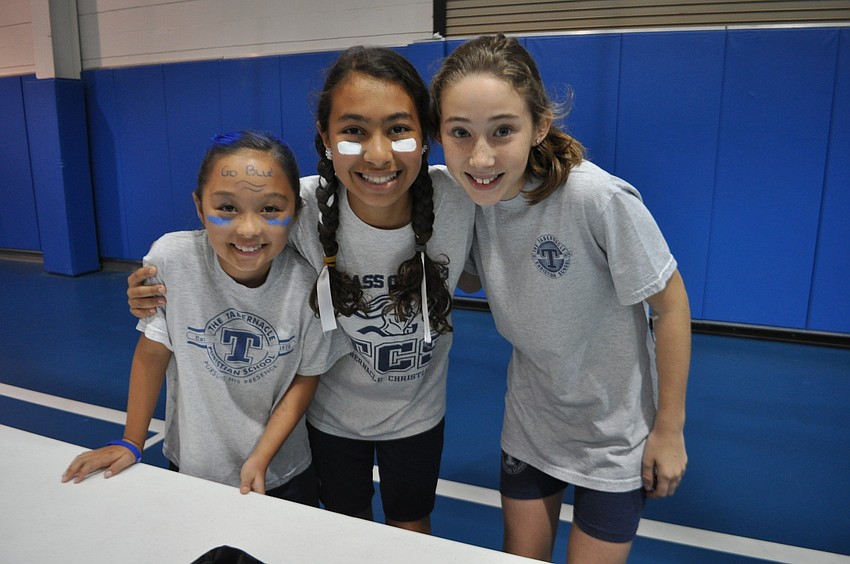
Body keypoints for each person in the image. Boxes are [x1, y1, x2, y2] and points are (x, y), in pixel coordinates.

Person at [126, 47, 476, 534]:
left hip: (417, 415)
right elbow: (230, 227)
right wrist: (155, 286)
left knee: (410, 522)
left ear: (426, 136)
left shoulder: (459, 199)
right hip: (329, 420)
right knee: (342, 529)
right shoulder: (298, 204)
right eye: (353, 132)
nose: (377, 154)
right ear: (326, 138)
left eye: (399, 129)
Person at [430, 34, 691, 563]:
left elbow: (670, 306)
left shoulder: (596, 199)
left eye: (503, 130)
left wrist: (669, 429)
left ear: (540, 125)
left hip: (614, 436)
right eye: (460, 133)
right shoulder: (468, 198)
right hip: (531, 424)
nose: (480, 156)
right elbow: (474, 279)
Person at [63, 131, 348, 507]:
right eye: (227, 208)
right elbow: (152, 356)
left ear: (294, 211)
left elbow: (306, 377)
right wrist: (131, 441)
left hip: (283, 472)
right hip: (193, 468)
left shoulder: (308, 285)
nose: (248, 229)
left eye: (269, 209)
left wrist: (261, 456)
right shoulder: (172, 261)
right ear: (199, 208)